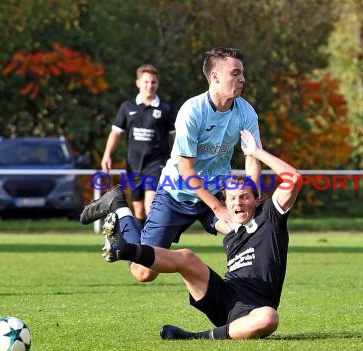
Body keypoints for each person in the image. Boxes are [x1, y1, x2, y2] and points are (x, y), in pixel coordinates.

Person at [81, 47, 262, 283]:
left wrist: (252, 201)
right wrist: (218, 207)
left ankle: (243, 302)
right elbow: (187, 170)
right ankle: (119, 208)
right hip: (176, 193)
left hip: (217, 191)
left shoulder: (246, 111)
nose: (242, 79)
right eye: (235, 73)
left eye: (242, 73)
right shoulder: (192, 111)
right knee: (143, 273)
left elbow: (252, 158)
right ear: (215, 77)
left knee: (246, 229)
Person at [100, 130, 301, 340]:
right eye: (231, 199)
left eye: (244, 197)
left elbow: (293, 179)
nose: (238, 202)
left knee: (269, 318)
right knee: (186, 257)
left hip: (253, 309)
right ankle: (124, 249)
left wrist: (256, 152)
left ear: (256, 200)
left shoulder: (269, 215)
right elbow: (198, 185)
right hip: (223, 295)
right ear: (225, 204)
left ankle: (194, 336)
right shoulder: (231, 223)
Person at [99, 64, 176, 229]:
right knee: (139, 210)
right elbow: (116, 133)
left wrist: (180, 158)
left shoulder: (165, 108)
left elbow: (175, 136)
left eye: (153, 82)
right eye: (146, 82)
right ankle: (142, 247)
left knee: (151, 204)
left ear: (158, 84)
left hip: (157, 163)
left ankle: (155, 247)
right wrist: (107, 155)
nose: (150, 86)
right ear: (138, 83)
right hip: (134, 165)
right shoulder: (128, 107)